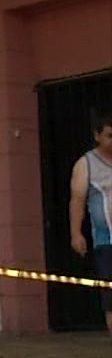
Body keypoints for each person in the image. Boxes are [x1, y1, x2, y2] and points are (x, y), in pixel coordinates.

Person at [68, 109, 112, 341]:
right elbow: (77, 200)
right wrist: (76, 233)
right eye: (109, 136)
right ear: (97, 136)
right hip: (107, 242)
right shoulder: (86, 165)